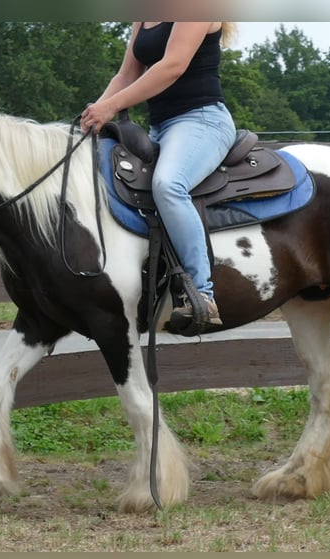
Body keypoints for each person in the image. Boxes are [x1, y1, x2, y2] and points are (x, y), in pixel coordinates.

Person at [80, 22, 237, 329]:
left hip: (201, 121)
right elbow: (126, 74)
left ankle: (202, 294)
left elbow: (172, 66)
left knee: (168, 185)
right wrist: (92, 116)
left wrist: (111, 106)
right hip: (159, 128)